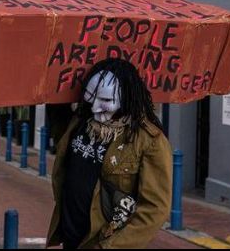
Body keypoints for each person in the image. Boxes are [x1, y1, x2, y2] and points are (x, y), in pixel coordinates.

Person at [46, 58, 172, 249]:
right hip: (72, 240)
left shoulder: (149, 140)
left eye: (105, 100)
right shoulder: (81, 121)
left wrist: (110, 246)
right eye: (90, 97)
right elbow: (60, 132)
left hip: (103, 243)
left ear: (127, 98)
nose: (95, 108)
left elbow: (155, 209)